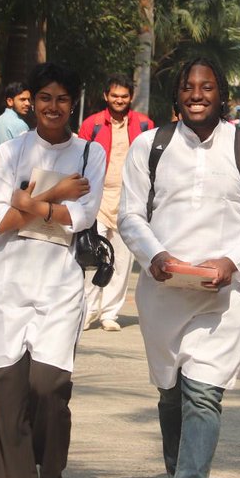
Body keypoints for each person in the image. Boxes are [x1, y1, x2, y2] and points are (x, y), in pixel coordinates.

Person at [118, 57, 240, 478]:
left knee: (204, 395)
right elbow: (131, 215)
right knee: (171, 395)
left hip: (222, 297)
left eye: (206, 87)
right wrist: (155, 255)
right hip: (163, 291)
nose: (197, 94)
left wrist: (232, 263)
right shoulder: (150, 147)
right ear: (177, 96)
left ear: (221, 94)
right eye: (188, 87)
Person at [0, 63, 106, 478]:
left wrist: (25, 200)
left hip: (59, 283)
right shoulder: (9, 149)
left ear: (73, 102)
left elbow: (81, 217)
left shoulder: (90, 154)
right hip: (7, 281)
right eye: (44, 97)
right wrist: (55, 193)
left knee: (47, 387)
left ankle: (52, 475)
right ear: (31, 101)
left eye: (62, 98)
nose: (53, 106)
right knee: (5, 388)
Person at [77, 75, 154, 331]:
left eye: (124, 96)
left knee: (122, 259)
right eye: (114, 96)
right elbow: (79, 159)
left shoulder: (144, 125)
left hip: (130, 201)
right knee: (91, 256)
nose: (119, 100)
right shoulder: (92, 124)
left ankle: (110, 313)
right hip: (96, 200)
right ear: (106, 96)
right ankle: (86, 311)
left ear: (130, 97)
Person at [0, 83, 32, 245]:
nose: (27, 104)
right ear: (10, 101)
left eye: (29, 99)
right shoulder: (19, 126)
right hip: (11, 194)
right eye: (22, 99)